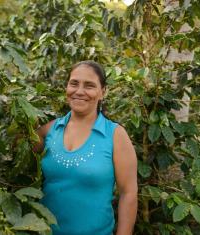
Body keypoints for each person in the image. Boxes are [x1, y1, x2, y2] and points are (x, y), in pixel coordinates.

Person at [34, 61, 138, 235]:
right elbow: (18, 153)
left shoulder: (115, 135)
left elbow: (128, 194)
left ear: (102, 92)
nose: (79, 91)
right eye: (74, 83)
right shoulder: (50, 130)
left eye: (89, 86)